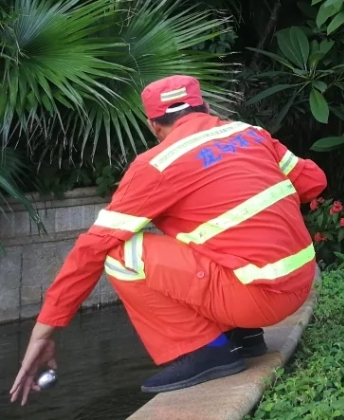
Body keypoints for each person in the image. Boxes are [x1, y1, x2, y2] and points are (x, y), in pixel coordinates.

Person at [10, 76, 327, 404]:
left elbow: (91, 250)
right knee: (198, 233)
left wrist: (45, 330)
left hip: (255, 297)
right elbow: (313, 182)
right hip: (299, 283)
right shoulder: (251, 133)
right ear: (205, 107)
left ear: (154, 125)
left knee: (120, 255)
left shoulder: (157, 164)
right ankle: (242, 335)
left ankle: (208, 351)